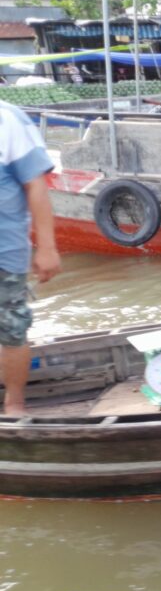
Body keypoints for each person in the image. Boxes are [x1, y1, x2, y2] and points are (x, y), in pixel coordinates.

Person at [0, 100, 62, 416]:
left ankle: (14, 404)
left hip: (4, 251)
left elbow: (35, 185)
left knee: (11, 327)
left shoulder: (7, 119)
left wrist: (47, 247)